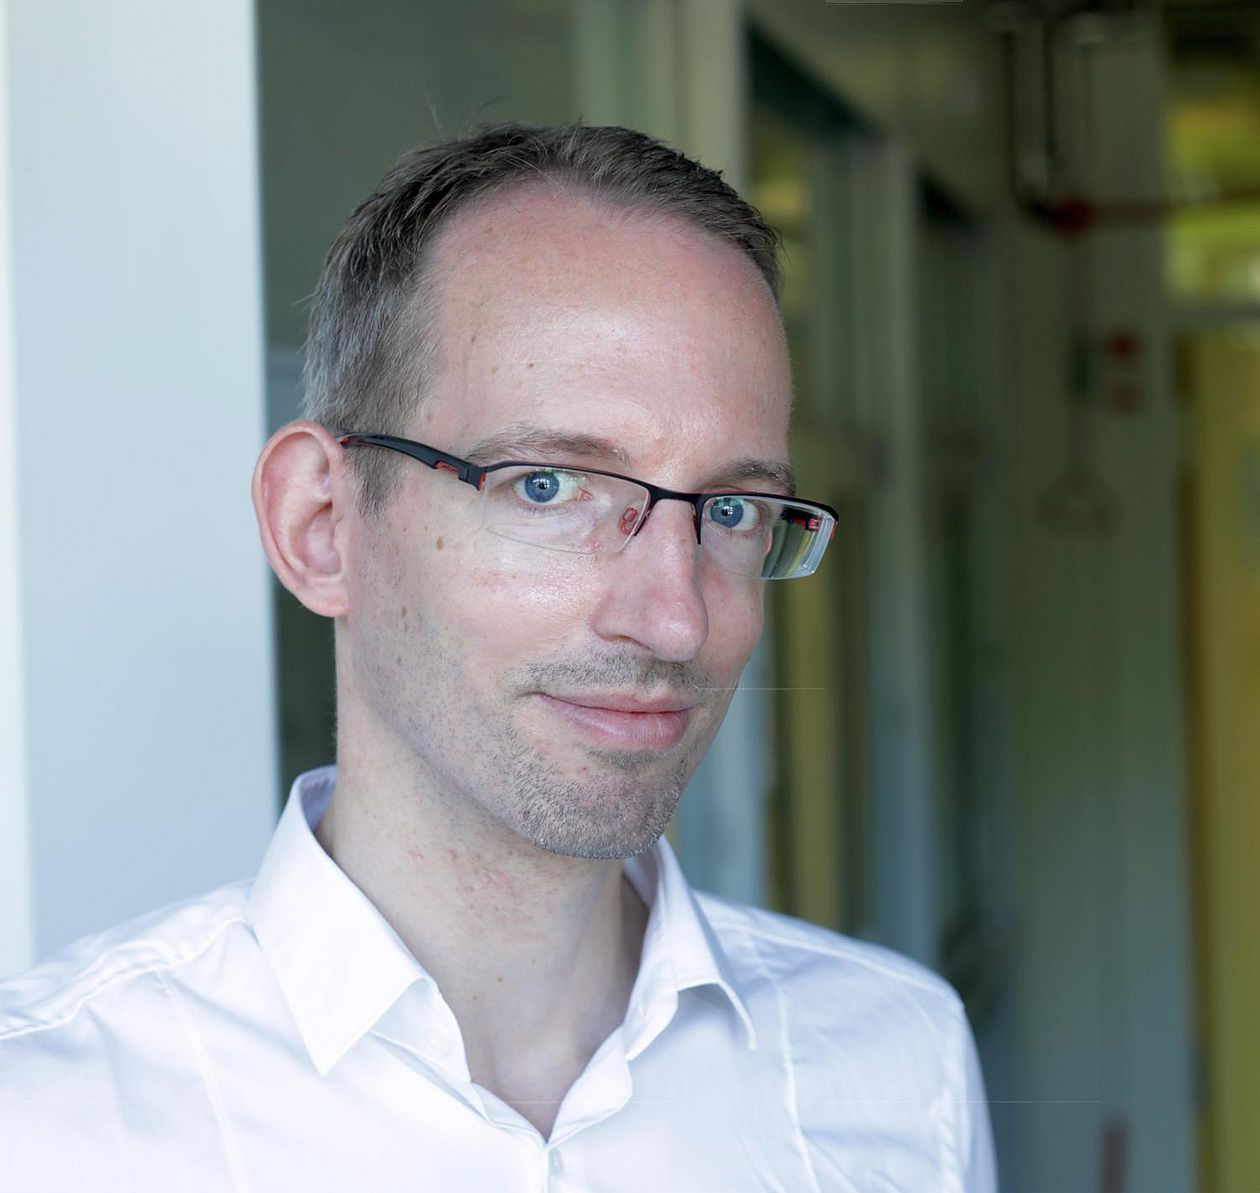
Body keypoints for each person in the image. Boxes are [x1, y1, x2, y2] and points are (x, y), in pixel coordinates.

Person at [0, 123, 995, 1191]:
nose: (674, 621)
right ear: (321, 526)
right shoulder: (50, 1124)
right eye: (548, 487)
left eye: (732, 508)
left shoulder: (897, 1068)